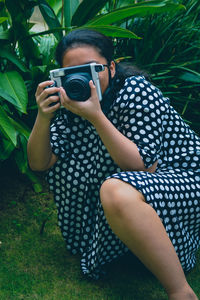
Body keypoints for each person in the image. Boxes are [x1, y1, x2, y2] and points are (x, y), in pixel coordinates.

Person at [27, 29, 200, 299]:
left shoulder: (135, 91)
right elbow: (39, 163)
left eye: (93, 69)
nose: (84, 79)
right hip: (132, 192)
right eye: (72, 72)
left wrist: (96, 116)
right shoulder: (69, 102)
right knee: (107, 185)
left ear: (111, 66)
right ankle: (127, 250)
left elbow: (144, 166)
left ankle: (181, 292)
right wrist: (43, 116)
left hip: (182, 181)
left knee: (115, 189)